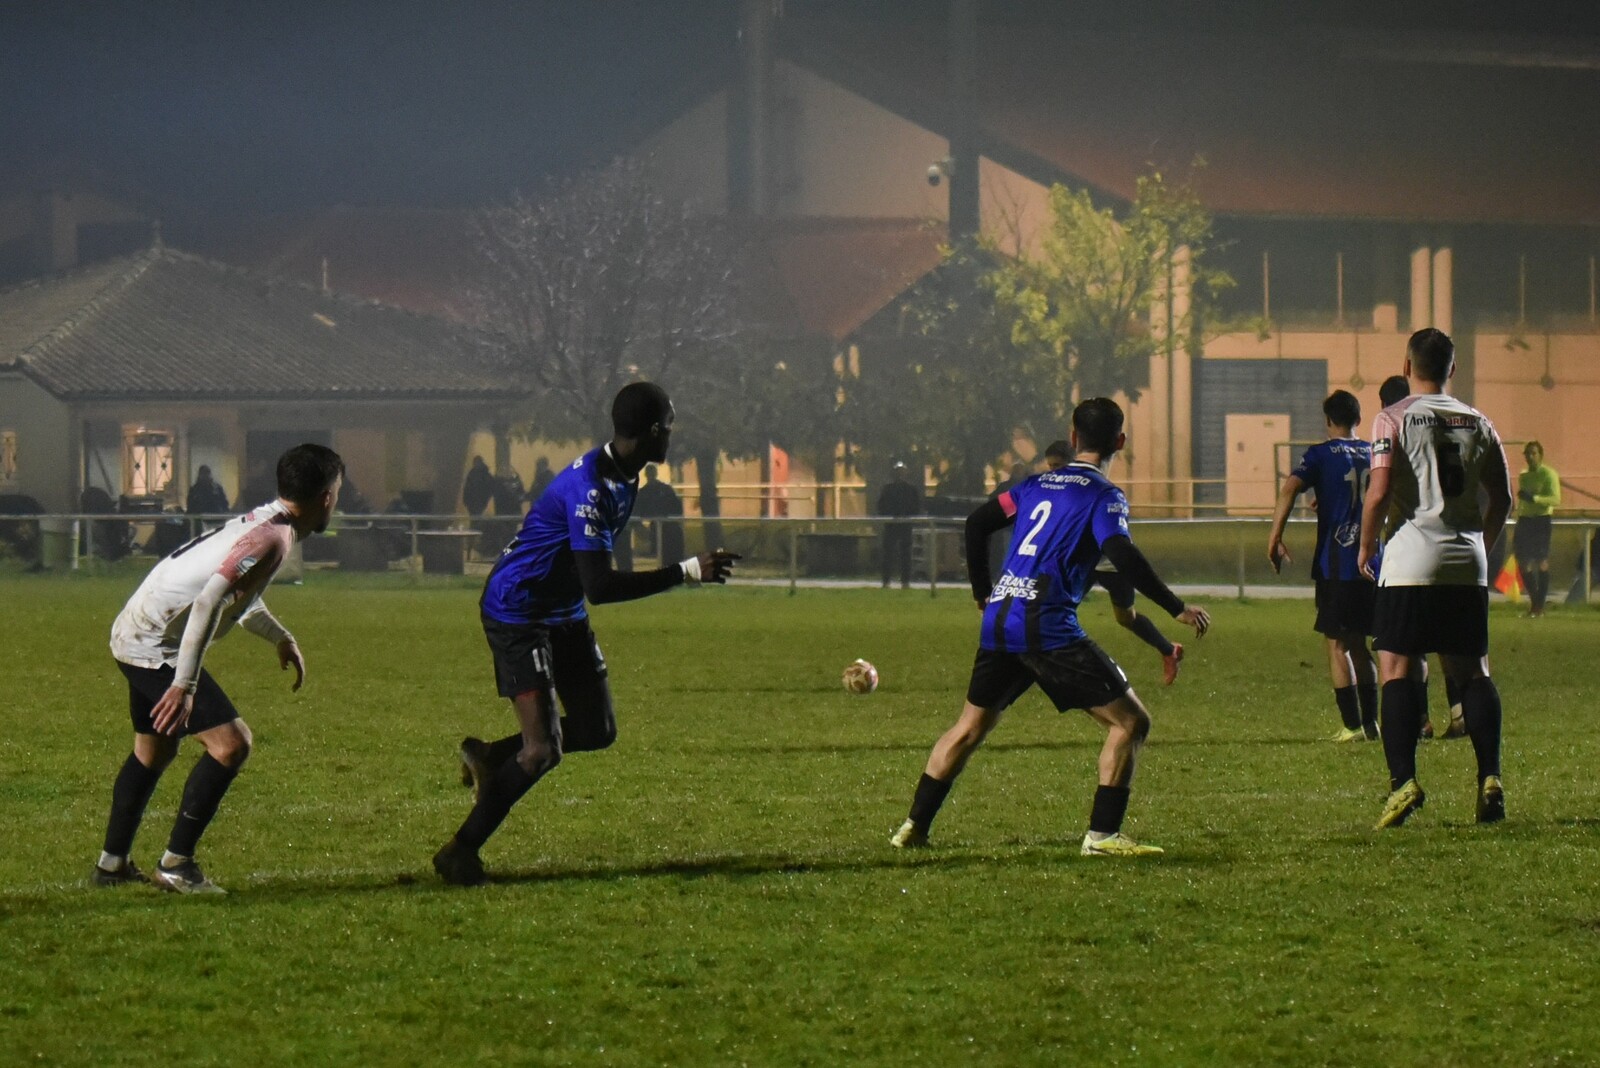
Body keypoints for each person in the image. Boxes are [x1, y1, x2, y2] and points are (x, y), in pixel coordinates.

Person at [433, 382, 739, 885]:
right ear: (654, 431)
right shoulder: (592, 489)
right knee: (541, 750)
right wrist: (686, 571)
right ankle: (459, 852)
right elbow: (601, 586)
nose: (673, 434)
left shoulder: (624, 475)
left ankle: (490, 756)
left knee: (598, 729)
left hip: (562, 610)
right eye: (669, 425)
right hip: (519, 610)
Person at [888, 398, 1210, 858]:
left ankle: (912, 826)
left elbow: (977, 524)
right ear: (1120, 441)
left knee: (969, 727)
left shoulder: (1033, 485)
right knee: (1132, 722)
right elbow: (1121, 552)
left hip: (1002, 617)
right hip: (1047, 624)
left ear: (1074, 437)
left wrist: (982, 592)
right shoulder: (1104, 496)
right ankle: (1102, 836)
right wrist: (1175, 607)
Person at [92, 444, 344, 893]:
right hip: (154, 641)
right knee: (231, 745)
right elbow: (210, 601)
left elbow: (235, 595)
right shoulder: (271, 537)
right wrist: (184, 684)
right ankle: (176, 864)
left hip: (138, 628)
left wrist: (280, 636)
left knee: (153, 752)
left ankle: (111, 865)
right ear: (327, 497)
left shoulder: (266, 523)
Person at [1358, 328, 1512, 829]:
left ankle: (1403, 782)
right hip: (1466, 565)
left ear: (1407, 367)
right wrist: (1479, 546)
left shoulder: (1393, 417)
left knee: (1397, 668)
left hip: (1410, 563)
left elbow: (1380, 491)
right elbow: (1503, 498)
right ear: (1452, 369)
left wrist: (1365, 545)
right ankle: (1490, 777)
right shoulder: (1479, 421)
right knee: (1473, 673)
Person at [1266, 390, 1380, 741]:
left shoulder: (1320, 454)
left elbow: (1290, 489)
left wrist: (1275, 536)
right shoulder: (1375, 452)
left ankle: (1351, 726)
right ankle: (1372, 724)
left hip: (1338, 564)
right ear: (1358, 419)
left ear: (1328, 420)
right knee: (1360, 643)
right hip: (1372, 562)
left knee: (1337, 644)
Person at [1044, 439, 1185, 685]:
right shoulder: (1057, 488)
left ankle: (1168, 650)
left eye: (1057, 466)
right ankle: (1060, 669)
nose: (1053, 472)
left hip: (1111, 565)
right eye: (1050, 467)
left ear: (1071, 463)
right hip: (1086, 564)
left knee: (1125, 618)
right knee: (1055, 611)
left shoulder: (1092, 487)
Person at [1514, 440, 1560, 617]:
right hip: (1525, 520)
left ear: (1540, 455)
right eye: (1527, 453)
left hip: (1541, 520)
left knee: (1541, 561)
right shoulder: (1524, 475)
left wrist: (1535, 498)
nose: (1530, 457)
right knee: (1523, 562)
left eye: (1534, 453)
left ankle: (1539, 606)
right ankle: (1536, 604)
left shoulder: (1548, 474)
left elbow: (1555, 499)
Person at [876, 462, 921, 589]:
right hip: (891, 525)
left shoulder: (911, 489)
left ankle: (905, 581)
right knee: (888, 554)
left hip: (905, 525)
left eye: (902, 472)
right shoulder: (888, 489)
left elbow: (916, 506)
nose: (900, 474)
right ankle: (886, 581)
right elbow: (881, 506)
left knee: (906, 554)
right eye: (898, 472)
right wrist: (889, 517)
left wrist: (908, 517)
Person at [634, 463, 684, 562]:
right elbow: (636, 512)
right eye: (650, 473)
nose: (651, 475)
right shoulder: (644, 493)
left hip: (669, 525)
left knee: (673, 553)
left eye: (652, 473)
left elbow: (677, 507)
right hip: (656, 527)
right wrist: (640, 528)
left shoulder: (665, 489)